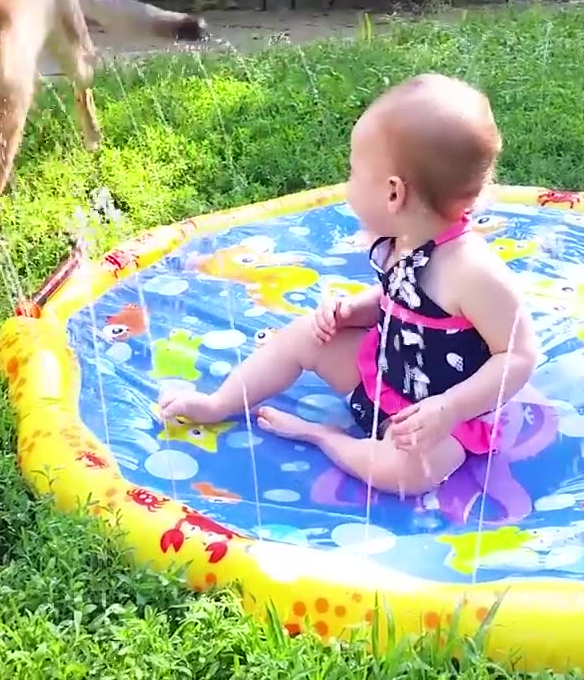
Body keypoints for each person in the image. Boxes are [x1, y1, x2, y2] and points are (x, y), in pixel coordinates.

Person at [158, 73, 539, 496]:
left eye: (354, 173)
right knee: (306, 334)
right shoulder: (405, 240)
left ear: (394, 194)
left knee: (409, 476)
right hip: (385, 374)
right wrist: (357, 310)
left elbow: (518, 355)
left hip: (445, 418)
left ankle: (326, 437)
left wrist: (450, 409)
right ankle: (221, 403)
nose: (347, 185)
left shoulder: (473, 272)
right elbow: (406, 297)